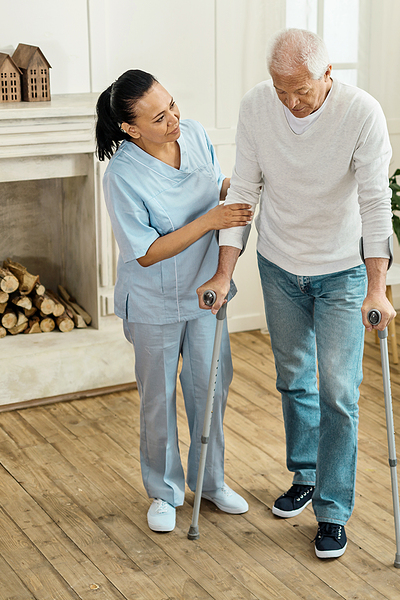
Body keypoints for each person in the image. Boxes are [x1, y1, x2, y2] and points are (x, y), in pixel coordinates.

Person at [198, 28, 395, 559]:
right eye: (280, 90)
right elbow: (244, 189)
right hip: (278, 264)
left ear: (328, 75)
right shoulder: (258, 107)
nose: (291, 103)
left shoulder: (361, 114)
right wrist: (223, 271)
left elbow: (377, 203)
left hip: (342, 271)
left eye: (301, 91)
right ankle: (305, 474)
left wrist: (377, 287)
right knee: (293, 379)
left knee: (339, 392)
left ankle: (332, 511)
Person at [96, 69, 253, 533]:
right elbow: (145, 253)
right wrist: (211, 219)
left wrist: (234, 192)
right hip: (154, 301)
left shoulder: (198, 135)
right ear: (131, 128)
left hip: (206, 291)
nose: (174, 119)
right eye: (159, 116)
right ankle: (164, 492)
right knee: (158, 397)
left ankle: (211, 482)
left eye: (173, 105)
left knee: (210, 390)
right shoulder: (121, 175)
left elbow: (215, 186)